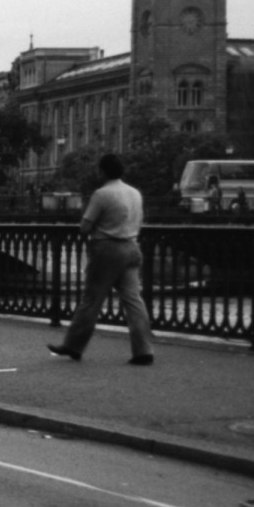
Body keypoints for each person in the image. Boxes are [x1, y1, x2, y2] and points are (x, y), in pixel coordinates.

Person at [48, 153, 154, 366]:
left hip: (107, 249)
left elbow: (85, 227)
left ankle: (73, 346)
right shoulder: (135, 193)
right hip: (132, 247)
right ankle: (143, 350)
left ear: (103, 171)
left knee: (92, 299)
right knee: (134, 300)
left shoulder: (102, 194)